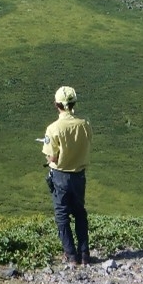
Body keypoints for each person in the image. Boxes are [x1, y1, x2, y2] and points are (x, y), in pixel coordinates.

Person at [41, 85, 93, 265]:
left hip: (60, 175)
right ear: (74, 103)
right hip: (79, 175)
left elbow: (52, 156)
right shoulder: (84, 124)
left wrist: (50, 159)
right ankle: (85, 253)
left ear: (57, 105)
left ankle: (71, 255)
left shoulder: (53, 128)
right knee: (80, 213)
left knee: (62, 215)